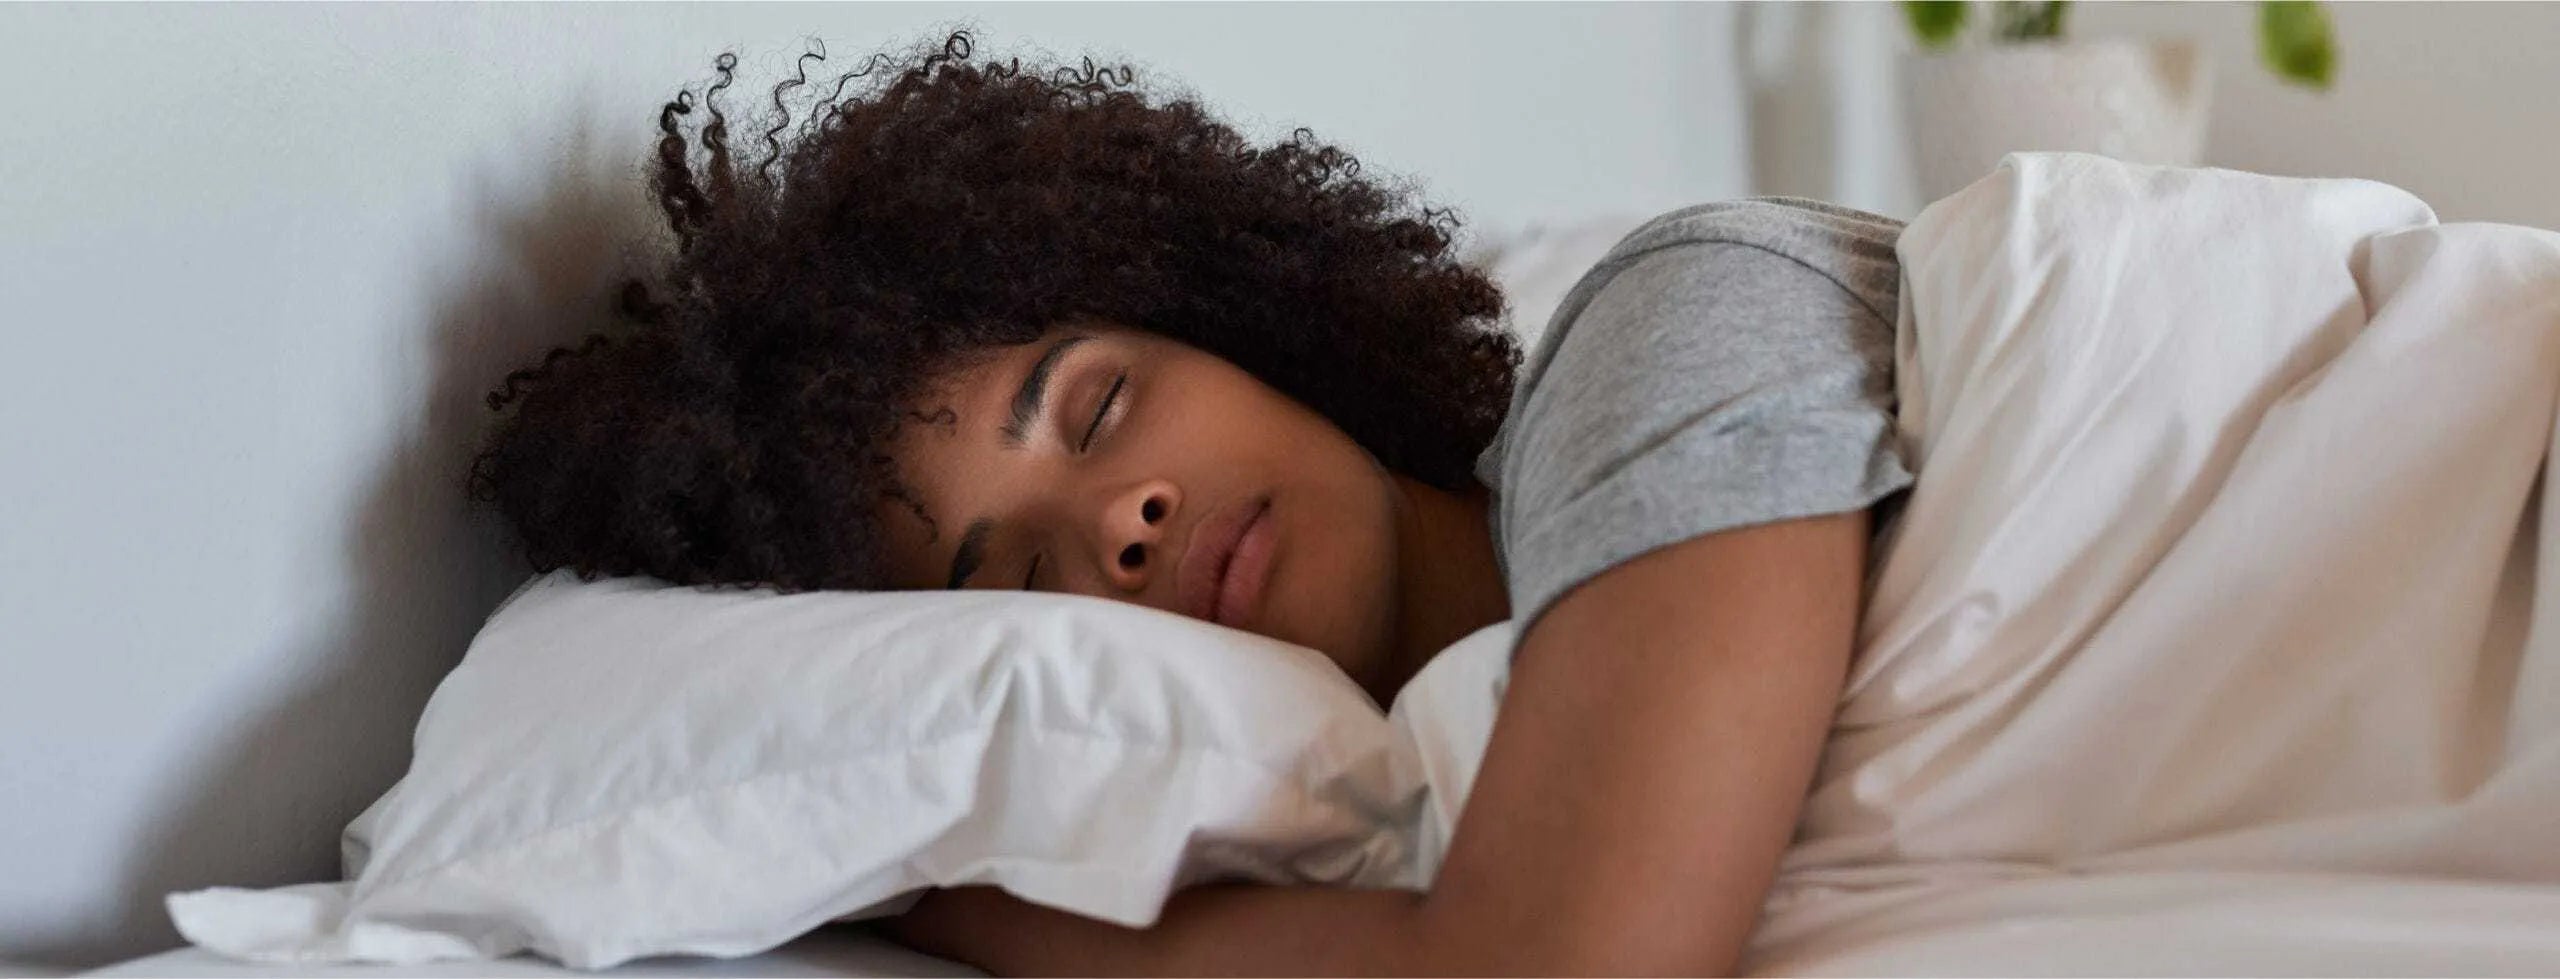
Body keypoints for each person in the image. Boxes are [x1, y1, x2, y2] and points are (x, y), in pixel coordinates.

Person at [469, 29, 1912, 975]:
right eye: (1019, 584)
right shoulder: (1423, 763)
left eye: (1098, 407)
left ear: (1243, 324)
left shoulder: (1667, 324)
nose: (1121, 522)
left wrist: (992, 915)